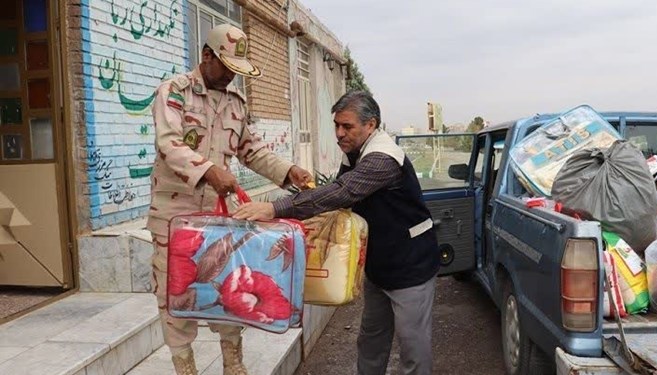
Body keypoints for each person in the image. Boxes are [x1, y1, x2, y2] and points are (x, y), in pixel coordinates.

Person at [233, 90, 440, 375]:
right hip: (379, 266)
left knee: (413, 349)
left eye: (347, 126)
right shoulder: (354, 152)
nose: (339, 133)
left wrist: (275, 209)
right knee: (370, 340)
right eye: (336, 126)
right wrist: (304, 189)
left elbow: (343, 192)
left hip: (411, 266)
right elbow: (336, 194)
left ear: (371, 124)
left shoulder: (383, 158)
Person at [146, 24, 312, 375]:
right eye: (227, 67)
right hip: (174, 217)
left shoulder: (235, 101)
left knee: (228, 286)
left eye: (237, 70)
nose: (231, 77)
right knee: (174, 297)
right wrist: (209, 170)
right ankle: (185, 368)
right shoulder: (173, 92)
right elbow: (169, 144)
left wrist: (288, 171)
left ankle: (234, 366)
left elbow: (252, 150)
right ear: (207, 56)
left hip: (219, 220)